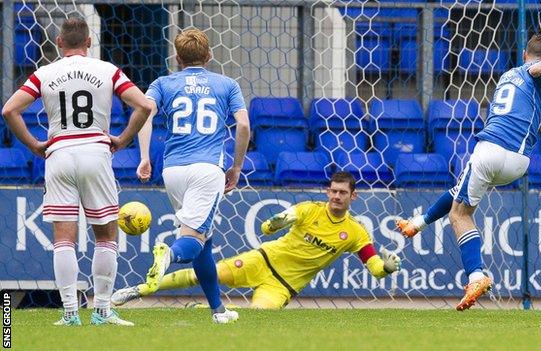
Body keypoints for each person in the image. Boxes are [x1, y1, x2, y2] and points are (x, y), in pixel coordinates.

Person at [396, 35, 541, 311]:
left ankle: (476, 276)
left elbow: (537, 67)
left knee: (460, 215)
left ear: (524, 53)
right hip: (518, 162)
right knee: (460, 192)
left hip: (491, 149)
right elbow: (536, 122)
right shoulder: (535, 82)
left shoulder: (511, 74)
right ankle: (418, 223)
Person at [1, 18, 151, 326]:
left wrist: (34, 145)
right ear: (89, 43)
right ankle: (103, 310)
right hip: (96, 153)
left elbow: (9, 110)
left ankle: (70, 313)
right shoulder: (107, 70)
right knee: (107, 236)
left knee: (64, 239)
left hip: (59, 155)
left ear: (58, 42)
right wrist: (122, 139)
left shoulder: (45, 73)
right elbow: (145, 105)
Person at [111, 171, 401, 309]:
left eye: (343, 193)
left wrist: (386, 267)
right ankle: (136, 290)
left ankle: (205, 310)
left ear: (353, 196)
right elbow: (267, 226)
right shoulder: (307, 210)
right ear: (327, 192)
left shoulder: (356, 232)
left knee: (258, 316)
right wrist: (275, 222)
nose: (337, 196)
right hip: (261, 260)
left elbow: (374, 268)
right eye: (333, 191)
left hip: (283, 285)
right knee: (198, 274)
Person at [131, 28, 250, 323]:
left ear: (177, 56)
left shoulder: (163, 83)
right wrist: (235, 167)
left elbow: (144, 113)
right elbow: (243, 126)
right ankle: (168, 256)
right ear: (209, 55)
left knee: (204, 240)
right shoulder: (227, 84)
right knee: (193, 239)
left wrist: (145, 156)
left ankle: (218, 310)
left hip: (173, 170)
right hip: (207, 169)